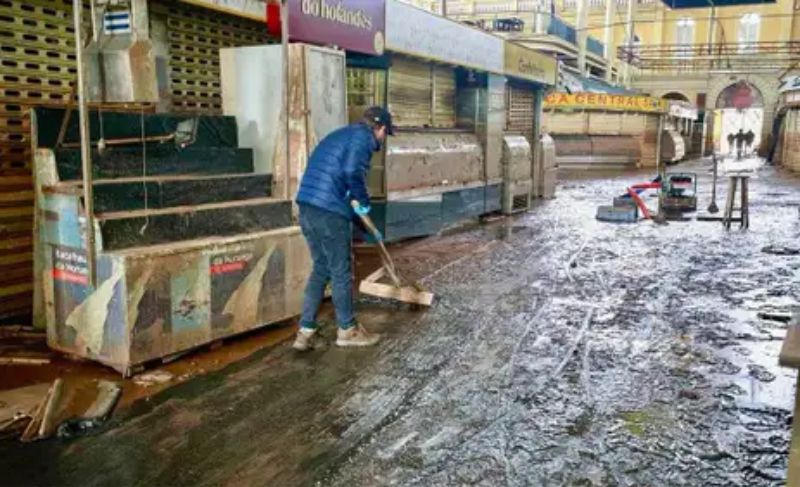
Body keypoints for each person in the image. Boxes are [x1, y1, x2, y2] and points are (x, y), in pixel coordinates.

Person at [292, 106, 394, 351]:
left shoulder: (343, 135)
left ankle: (305, 332)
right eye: (385, 133)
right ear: (379, 129)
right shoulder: (363, 140)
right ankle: (347, 330)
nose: (383, 139)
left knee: (321, 268)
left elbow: (344, 186)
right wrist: (365, 204)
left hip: (307, 206)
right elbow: (351, 174)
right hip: (328, 212)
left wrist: (364, 223)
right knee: (341, 271)